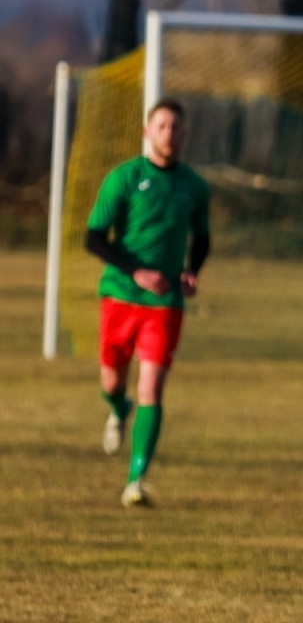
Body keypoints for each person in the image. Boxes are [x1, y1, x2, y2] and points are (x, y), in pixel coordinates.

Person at [85, 99, 211, 507]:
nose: (169, 134)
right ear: (147, 131)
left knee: (152, 388)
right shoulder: (124, 177)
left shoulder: (194, 186)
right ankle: (117, 408)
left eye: (176, 128)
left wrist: (192, 270)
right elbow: (93, 237)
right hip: (120, 295)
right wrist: (136, 271)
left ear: (184, 135)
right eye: (162, 126)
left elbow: (202, 236)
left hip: (166, 302)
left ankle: (135, 481)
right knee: (111, 381)